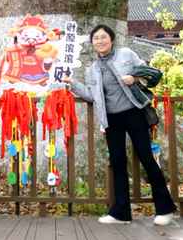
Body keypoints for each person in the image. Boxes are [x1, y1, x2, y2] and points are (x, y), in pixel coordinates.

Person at [63, 24, 176, 226]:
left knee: (146, 158)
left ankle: (165, 208)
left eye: (103, 37)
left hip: (134, 113)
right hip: (111, 119)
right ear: (92, 43)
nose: (100, 41)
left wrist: (134, 78)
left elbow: (148, 72)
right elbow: (91, 95)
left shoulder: (126, 54)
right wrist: (72, 83)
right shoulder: (93, 69)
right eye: (96, 38)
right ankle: (121, 214)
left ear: (111, 39)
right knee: (117, 163)